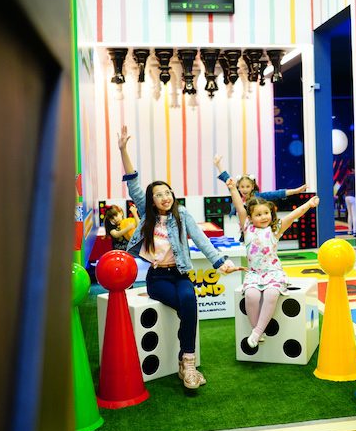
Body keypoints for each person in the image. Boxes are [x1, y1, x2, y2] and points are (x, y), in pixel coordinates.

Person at [117, 125, 235, 390]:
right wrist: (123, 149)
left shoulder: (182, 215)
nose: (165, 197)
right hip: (157, 278)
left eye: (167, 192)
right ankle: (187, 362)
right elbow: (133, 181)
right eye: (158, 194)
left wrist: (220, 262)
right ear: (151, 200)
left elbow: (202, 240)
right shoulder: (147, 214)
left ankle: (187, 362)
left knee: (189, 299)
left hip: (180, 274)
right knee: (187, 306)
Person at [223, 178, 319, 347]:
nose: (263, 217)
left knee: (271, 294)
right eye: (258, 215)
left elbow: (293, 215)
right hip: (254, 274)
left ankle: (257, 331)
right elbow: (239, 206)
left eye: (266, 213)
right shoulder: (247, 228)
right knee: (251, 296)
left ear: (271, 213)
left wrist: (309, 204)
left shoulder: (275, 228)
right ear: (250, 217)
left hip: (273, 273)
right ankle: (257, 331)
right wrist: (232, 189)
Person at [213, 154, 308, 216]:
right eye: (242, 187)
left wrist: (296, 191)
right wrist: (218, 164)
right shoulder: (236, 195)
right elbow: (227, 179)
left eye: (247, 187)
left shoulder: (259, 197)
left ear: (252, 187)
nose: (245, 189)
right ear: (238, 187)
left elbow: (277, 194)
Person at [338, 165, 356, 235]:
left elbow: (342, 187)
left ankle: (350, 230)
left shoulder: (347, 177)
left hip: (347, 196)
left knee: (350, 214)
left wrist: (338, 194)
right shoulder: (355, 177)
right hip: (353, 196)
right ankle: (355, 231)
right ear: (353, 169)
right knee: (354, 214)